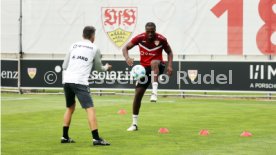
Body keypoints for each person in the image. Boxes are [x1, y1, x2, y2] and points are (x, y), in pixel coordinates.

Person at [61, 26, 112, 145]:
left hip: (67, 80)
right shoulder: (95, 48)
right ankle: (96, 139)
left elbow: (64, 65)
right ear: (93, 36)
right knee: (90, 109)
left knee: (70, 108)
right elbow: (99, 69)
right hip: (80, 81)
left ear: (83, 35)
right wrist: (107, 67)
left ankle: (64, 137)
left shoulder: (73, 45)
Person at [122, 22, 173, 131]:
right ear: (145, 31)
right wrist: (127, 58)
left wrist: (170, 66)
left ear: (155, 30)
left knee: (154, 62)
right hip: (144, 69)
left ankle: (154, 92)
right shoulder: (140, 38)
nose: (150, 34)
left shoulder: (161, 39)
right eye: (148, 32)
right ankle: (134, 124)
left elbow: (169, 52)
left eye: (152, 32)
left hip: (158, 65)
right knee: (138, 94)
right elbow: (125, 48)